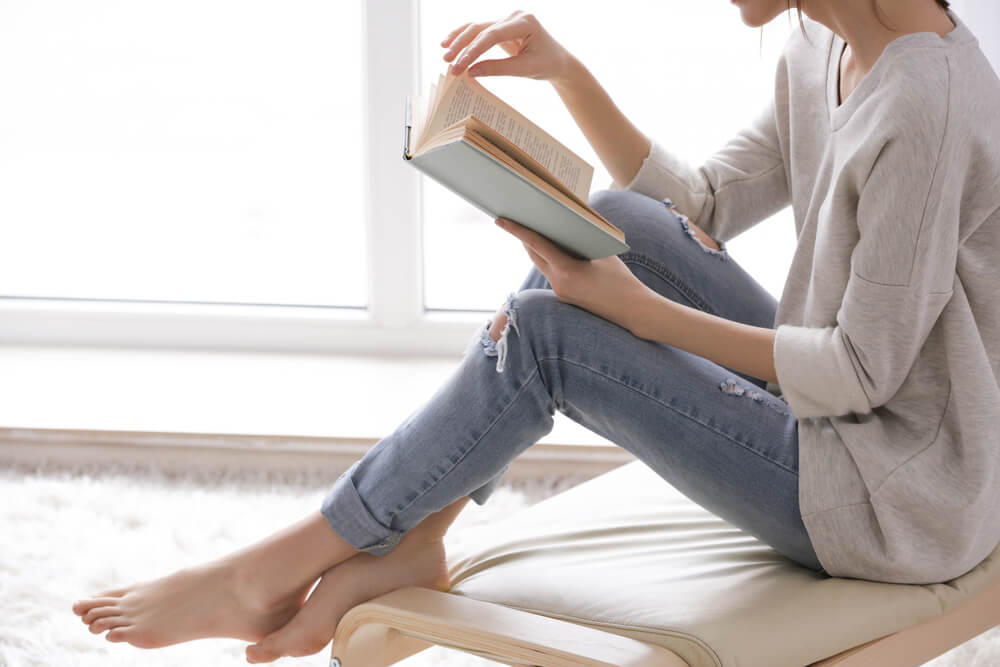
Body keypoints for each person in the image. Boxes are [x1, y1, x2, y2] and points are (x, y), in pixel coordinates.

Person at [72, 0, 1000, 662]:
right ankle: (410, 538)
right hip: (849, 430)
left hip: (897, 497)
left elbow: (859, 371)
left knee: (550, 332)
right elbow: (702, 205)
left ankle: (290, 558)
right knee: (613, 219)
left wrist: (637, 313)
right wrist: (565, 72)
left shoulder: (926, 104)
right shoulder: (820, 41)